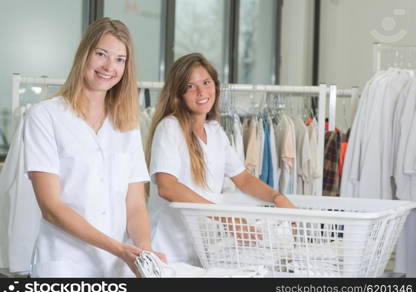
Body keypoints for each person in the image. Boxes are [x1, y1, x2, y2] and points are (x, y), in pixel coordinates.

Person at [24, 18, 164, 278]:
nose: (109, 67)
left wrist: (143, 250)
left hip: (117, 268)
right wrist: (118, 249)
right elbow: (51, 206)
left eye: (120, 59)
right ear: (84, 54)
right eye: (102, 54)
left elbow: (134, 203)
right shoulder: (44, 116)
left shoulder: (127, 124)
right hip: (65, 264)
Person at [146, 53, 296, 266]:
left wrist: (278, 198)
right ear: (178, 94)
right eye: (190, 86)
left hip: (200, 248)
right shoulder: (170, 128)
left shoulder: (215, 131)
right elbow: (167, 186)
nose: (201, 92)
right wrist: (227, 219)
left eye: (206, 83)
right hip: (166, 248)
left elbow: (243, 178)